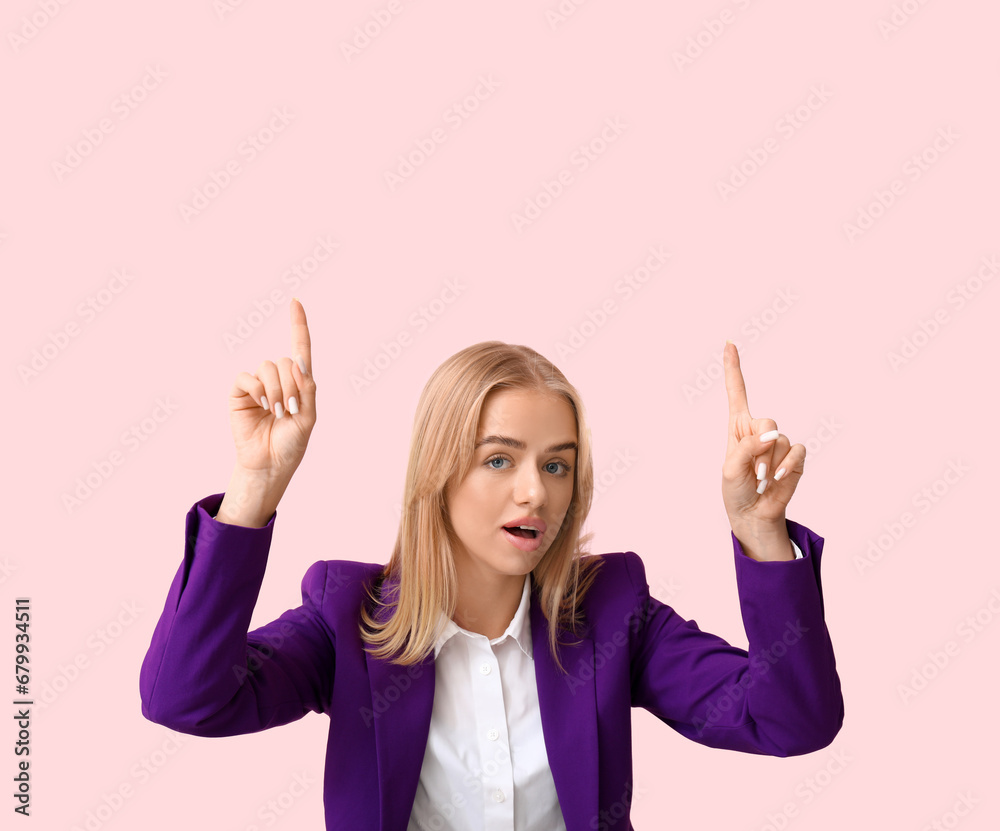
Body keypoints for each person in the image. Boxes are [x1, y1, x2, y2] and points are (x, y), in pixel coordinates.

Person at [139, 298, 844, 831]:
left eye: (558, 464)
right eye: (500, 458)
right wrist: (254, 490)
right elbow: (185, 698)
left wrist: (760, 531)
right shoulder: (345, 616)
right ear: (438, 471)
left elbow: (790, 720)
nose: (536, 490)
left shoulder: (611, 611)